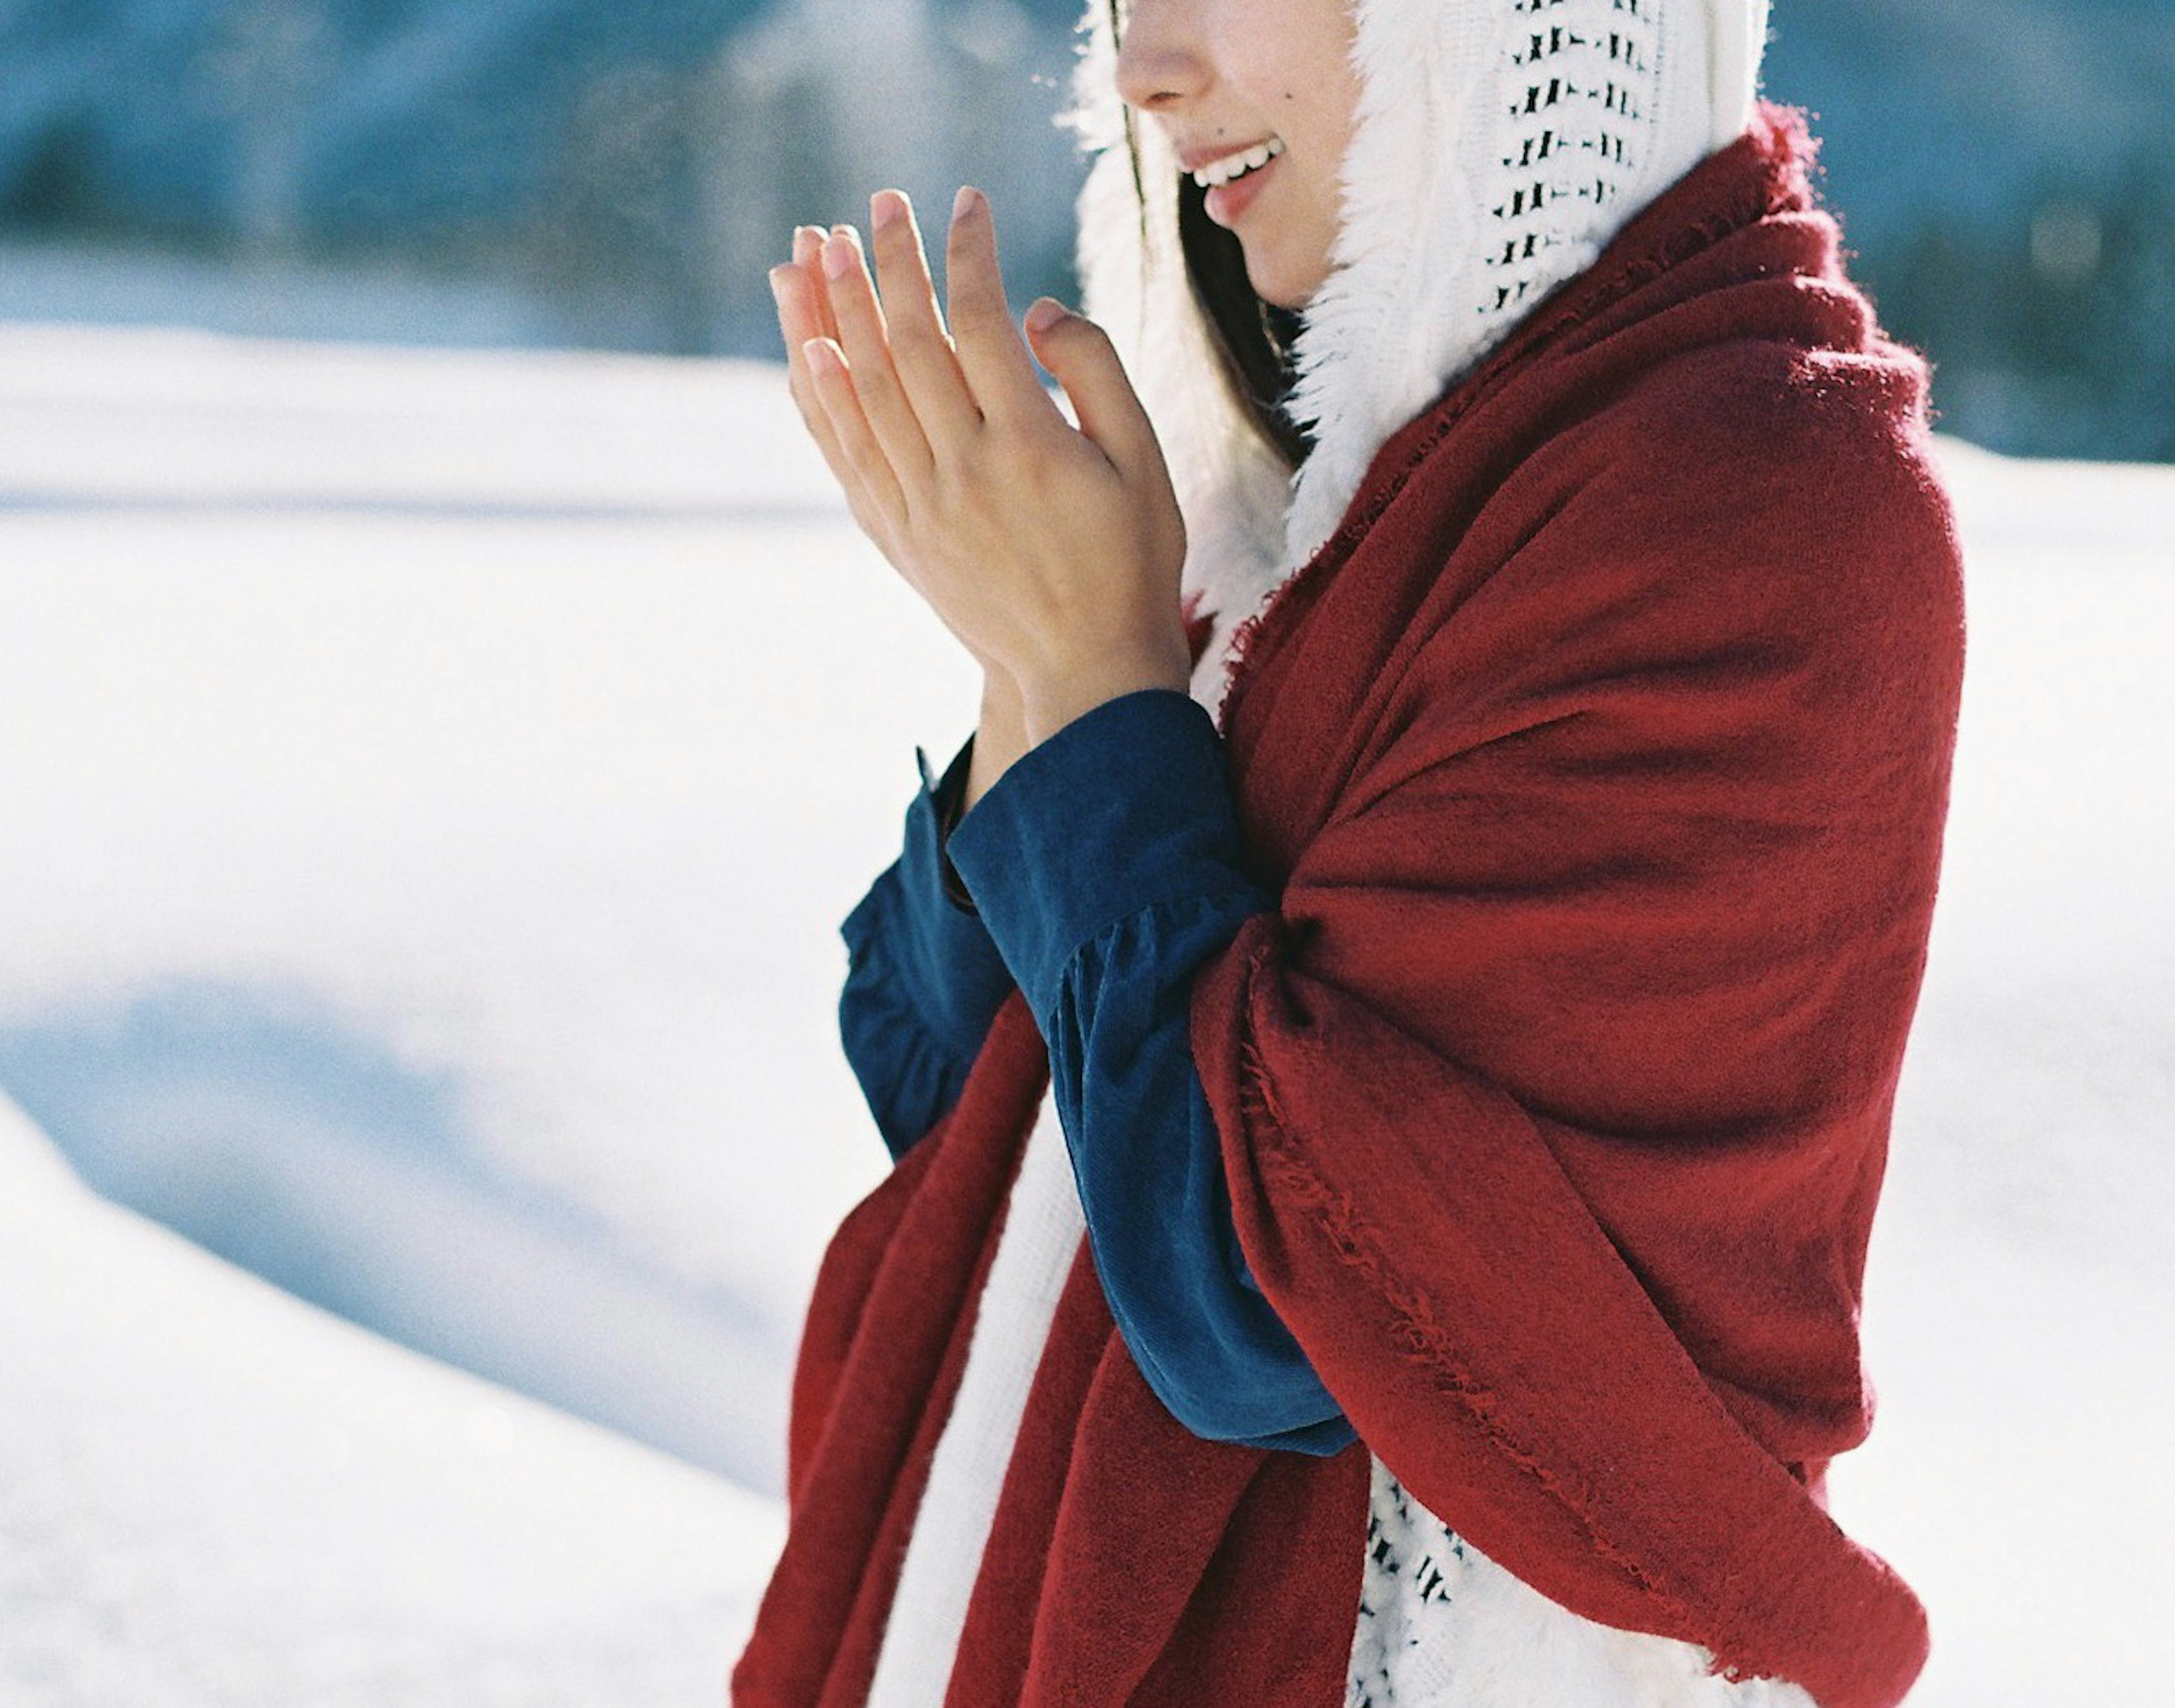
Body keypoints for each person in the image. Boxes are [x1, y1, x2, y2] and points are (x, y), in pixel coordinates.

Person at [740, 0, 1963, 1704]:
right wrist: (1037, 660)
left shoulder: (1751, 494)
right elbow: (948, 1079)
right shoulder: (1275, 482)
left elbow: (1271, 1313)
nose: (1144, 66)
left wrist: (1101, 690)